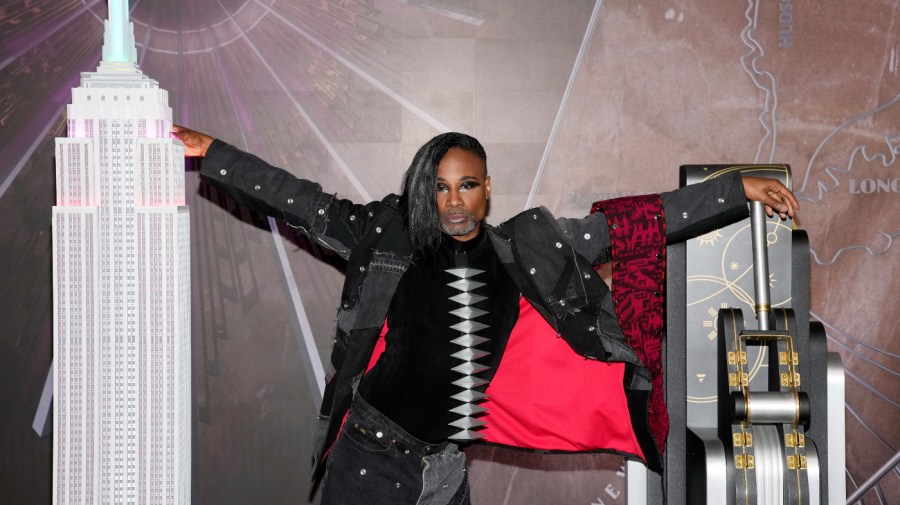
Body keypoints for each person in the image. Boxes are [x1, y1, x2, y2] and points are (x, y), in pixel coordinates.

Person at [172, 125, 798, 505]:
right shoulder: (388, 234)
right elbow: (300, 200)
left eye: (466, 185)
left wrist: (733, 189)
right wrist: (216, 154)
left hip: (444, 470)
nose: (453, 202)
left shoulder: (522, 250)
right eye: (440, 187)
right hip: (370, 464)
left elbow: (628, 226)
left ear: (488, 187)